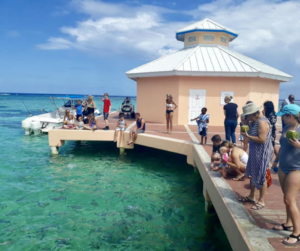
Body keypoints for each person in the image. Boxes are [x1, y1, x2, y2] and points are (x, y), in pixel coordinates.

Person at [271, 104, 300, 246]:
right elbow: (283, 145)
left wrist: (298, 145)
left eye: (283, 115)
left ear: (290, 116)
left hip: (297, 169)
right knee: (285, 198)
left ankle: (297, 233)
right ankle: (288, 223)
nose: (281, 118)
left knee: (290, 200)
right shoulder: (287, 128)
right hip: (283, 167)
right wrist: (276, 161)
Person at [238, 103, 273, 210]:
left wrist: (248, 136)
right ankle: (251, 196)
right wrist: (246, 124)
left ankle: (261, 200)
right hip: (255, 151)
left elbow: (262, 140)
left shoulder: (262, 122)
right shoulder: (255, 121)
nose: (246, 117)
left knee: (261, 174)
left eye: (247, 115)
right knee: (253, 172)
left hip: (261, 152)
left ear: (253, 114)